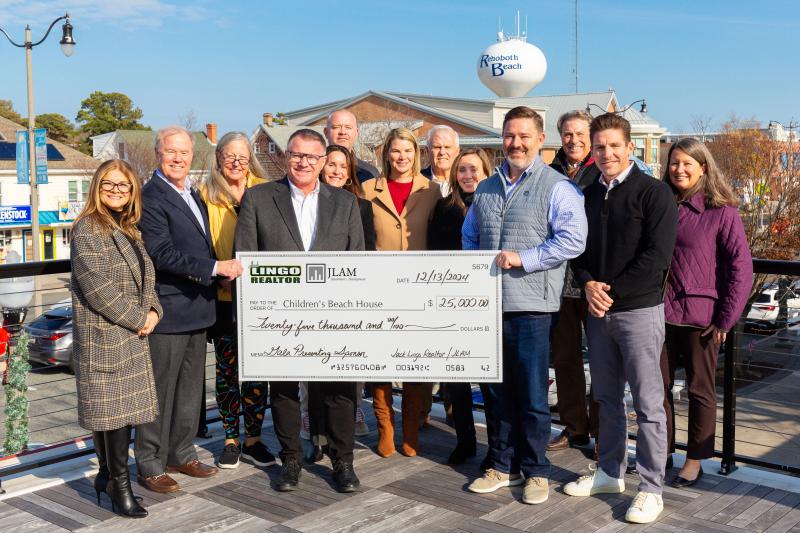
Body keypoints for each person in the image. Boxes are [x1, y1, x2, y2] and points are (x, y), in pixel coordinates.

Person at [463, 106, 587, 505]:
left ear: (539, 139)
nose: (515, 143)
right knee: (495, 393)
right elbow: (470, 236)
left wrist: (524, 258)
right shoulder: (486, 187)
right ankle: (502, 464)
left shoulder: (557, 186)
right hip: (488, 305)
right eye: (509, 136)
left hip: (532, 305)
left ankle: (535, 471)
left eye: (523, 136)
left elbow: (573, 240)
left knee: (532, 395)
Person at [235, 128, 365, 493]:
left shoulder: (345, 203)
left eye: (311, 156)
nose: (303, 162)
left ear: (323, 161)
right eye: (296, 155)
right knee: (285, 390)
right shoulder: (258, 199)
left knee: (338, 390)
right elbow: (245, 259)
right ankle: (290, 459)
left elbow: (358, 263)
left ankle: (343, 461)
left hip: (333, 316)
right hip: (279, 317)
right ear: (285, 157)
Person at [566, 113, 677, 524]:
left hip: (639, 313)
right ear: (591, 151)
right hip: (599, 311)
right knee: (607, 398)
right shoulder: (587, 193)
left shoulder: (654, 193)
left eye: (614, 145)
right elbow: (576, 250)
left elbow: (656, 257)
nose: (606, 153)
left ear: (630, 147)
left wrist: (606, 293)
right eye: (599, 147)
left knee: (648, 404)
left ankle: (651, 487)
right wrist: (587, 283)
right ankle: (610, 471)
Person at [135, 126, 243, 493]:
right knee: (160, 392)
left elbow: (200, 248)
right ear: (158, 154)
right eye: (171, 151)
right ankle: (149, 463)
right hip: (169, 313)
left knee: (188, 391)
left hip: (199, 308)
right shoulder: (151, 197)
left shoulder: (191, 194)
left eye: (184, 152)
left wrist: (218, 275)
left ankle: (181, 453)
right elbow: (161, 254)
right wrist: (215, 269)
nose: (178, 158)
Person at [71, 159, 162, 518]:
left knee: (119, 416)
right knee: (112, 417)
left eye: (123, 186)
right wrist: (140, 319)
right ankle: (118, 487)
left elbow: (147, 278)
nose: (115, 191)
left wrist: (154, 311)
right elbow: (97, 288)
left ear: (132, 192)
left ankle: (108, 476)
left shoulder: (128, 228)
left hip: (131, 335)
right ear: (96, 186)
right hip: (106, 337)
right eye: (109, 184)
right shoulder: (87, 229)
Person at [660, 138, 752, 487]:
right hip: (660, 312)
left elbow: (741, 268)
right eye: (674, 163)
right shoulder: (661, 204)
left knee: (700, 389)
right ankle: (661, 451)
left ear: (703, 167)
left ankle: (694, 459)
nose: (679, 169)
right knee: (657, 388)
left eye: (687, 163)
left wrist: (726, 318)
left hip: (702, 318)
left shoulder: (721, 210)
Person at [362, 127, 442, 458]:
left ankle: (411, 430)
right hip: (379, 287)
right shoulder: (368, 189)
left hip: (420, 288)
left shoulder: (432, 190)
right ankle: (386, 427)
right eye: (395, 151)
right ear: (386, 155)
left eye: (407, 151)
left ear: (416, 154)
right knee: (380, 363)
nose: (401, 157)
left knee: (416, 364)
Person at [199, 131, 276, 470]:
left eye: (242, 156)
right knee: (228, 371)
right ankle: (230, 438)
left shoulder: (267, 190)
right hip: (224, 297)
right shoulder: (204, 194)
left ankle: (254, 438)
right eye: (229, 155)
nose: (235, 162)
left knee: (258, 370)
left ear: (250, 160)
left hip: (260, 299)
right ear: (218, 158)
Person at [300, 144, 376, 463]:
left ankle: (340, 444)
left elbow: (364, 255)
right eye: (331, 164)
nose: (337, 171)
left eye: (343, 166)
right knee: (313, 375)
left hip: (345, 302)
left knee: (342, 374)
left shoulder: (360, 207)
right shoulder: (303, 204)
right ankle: (316, 438)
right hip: (309, 301)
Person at [427, 148, 496, 467]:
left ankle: (496, 447)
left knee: (490, 380)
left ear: (486, 172)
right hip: (450, 301)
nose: (468, 176)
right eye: (462, 170)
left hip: (488, 303)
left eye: (474, 170)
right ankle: (465, 441)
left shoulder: (497, 203)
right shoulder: (444, 207)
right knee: (456, 380)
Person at [547, 110, 601, 454]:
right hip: (556, 281)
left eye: (580, 134)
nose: (574, 140)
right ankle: (574, 427)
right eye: (568, 134)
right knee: (565, 360)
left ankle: (601, 431)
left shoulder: (604, 172)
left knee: (601, 361)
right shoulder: (548, 174)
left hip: (595, 282)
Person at [324, 109, 379, 182]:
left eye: (348, 127)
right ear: (326, 132)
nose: (343, 132)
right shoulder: (312, 169)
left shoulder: (370, 174)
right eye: (336, 127)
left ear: (356, 133)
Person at [420, 125, 460, 196]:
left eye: (447, 147)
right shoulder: (416, 181)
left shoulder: (466, 181)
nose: (442, 152)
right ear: (427, 151)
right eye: (437, 147)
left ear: (457, 151)